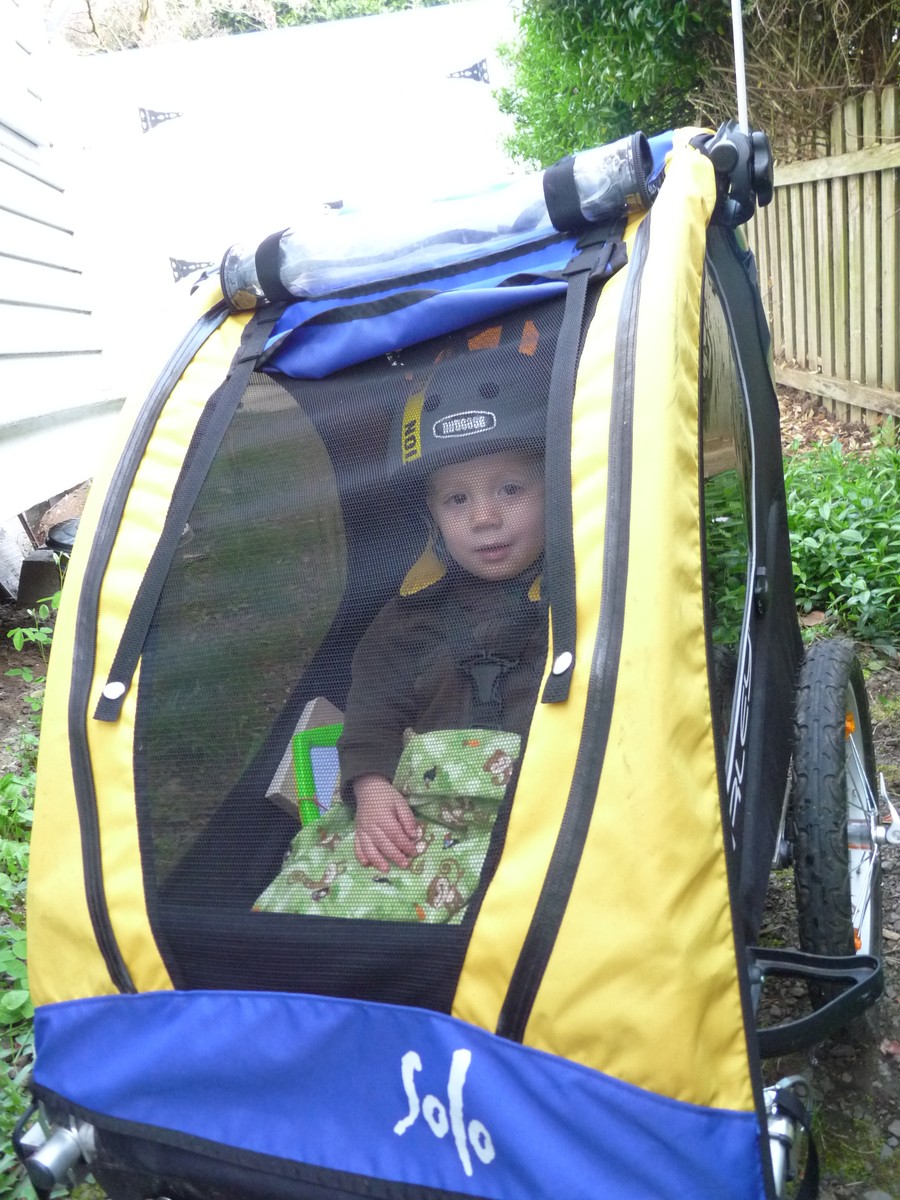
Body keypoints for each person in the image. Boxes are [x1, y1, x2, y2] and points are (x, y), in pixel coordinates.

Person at [253, 322, 550, 922]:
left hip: (539, 811)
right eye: (457, 499)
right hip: (423, 816)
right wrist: (370, 786)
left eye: (510, 489)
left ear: (553, 487)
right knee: (319, 893)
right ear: (432, 514)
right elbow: (373, 711)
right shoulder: (409, 614)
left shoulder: (579, 592)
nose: (484, 518)